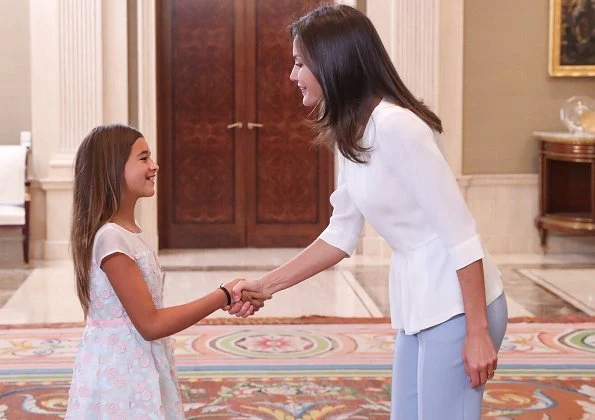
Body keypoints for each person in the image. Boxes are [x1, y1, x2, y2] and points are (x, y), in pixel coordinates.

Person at [226, 5, 507, 419]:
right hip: (418, 303)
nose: (292, 75)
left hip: (457, 307)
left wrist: (478, 332)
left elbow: (461, 234)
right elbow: (339, 236)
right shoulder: (352, 132)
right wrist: (266, 285)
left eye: (300, 63)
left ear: (334, 62)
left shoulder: (398, 127)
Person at [65, 124, 270, 419]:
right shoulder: (111, 237)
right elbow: (150, 324)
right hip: (121, 372)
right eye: (144, 158)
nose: (155, 166)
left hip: (136, 361)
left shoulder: (125, 233)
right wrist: (223, 295)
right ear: (112, 168)